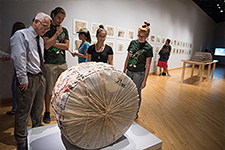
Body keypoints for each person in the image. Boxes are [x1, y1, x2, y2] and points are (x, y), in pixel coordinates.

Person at [10, 12, 51, 150]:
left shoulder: (39, 38)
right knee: (23, 111)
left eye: (47, 28)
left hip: (39, 77)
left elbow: (38, 58)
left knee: (38, 109)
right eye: (44, 26)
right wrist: (22, 79)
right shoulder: (21, 35)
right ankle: (21, 141)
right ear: (36, 22)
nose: (45, 30)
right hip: (28, 78)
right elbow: (19, 58)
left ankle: (36, 133)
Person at [42, 7, 69, 124]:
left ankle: (63, 111)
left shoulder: (65, 30)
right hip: (50, 64)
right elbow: (46, 46)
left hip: (62, 63)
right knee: (49, 89)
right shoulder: (47, 29)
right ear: (53, 15)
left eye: (62, 19)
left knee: (65, 89)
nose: (60, 21)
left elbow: (66, 47)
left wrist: (53, 42)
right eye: (59, 18)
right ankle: (47, 112)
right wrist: (57, 34)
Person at [123, 21, 153, 119]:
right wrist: (124, 71)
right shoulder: (133, 43)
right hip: (129, 71)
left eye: (143, 36)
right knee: (126, 91)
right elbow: (127, 58)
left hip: (138, 74)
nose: (140, 38)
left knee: (136, 93)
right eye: (139, 35)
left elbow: (148, 66)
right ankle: (127, 109)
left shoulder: (148, 48)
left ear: (147, 36)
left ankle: (135, 112)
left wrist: (145, 80)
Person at [4, 22, 26, 115]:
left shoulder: (17, 39)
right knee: (18, 90)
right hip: (21, 69)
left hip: (20, 70)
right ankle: (17, 109)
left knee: (17, 90)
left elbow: (18, 57)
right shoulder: (24, 39)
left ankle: (17, 110)